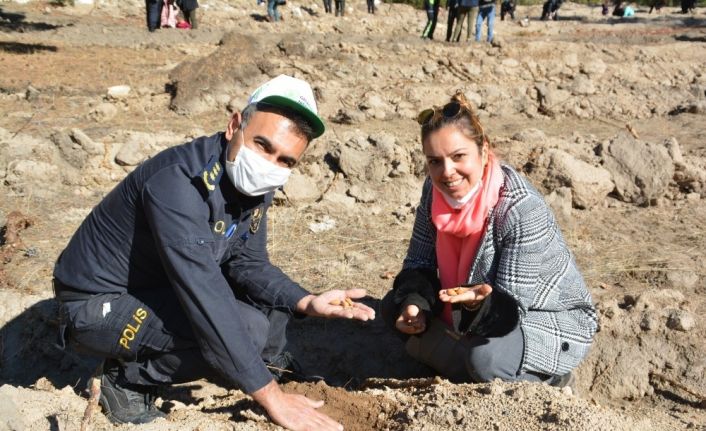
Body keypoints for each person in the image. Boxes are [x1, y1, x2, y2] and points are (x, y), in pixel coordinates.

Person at [52, 74, 376, 430]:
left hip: (160, 284)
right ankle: (127, 379)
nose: (269, 164)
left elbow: (248, 262)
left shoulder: (251, 181)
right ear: (234, 124)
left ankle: (260, 362)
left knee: (268, 304)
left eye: (286, 161)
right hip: (97, 303)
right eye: (262, 145)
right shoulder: (178, 182)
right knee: (247, 329)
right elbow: (204, 294)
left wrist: (306, 301)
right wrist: (270, 397)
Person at [380, 91, 597, 387]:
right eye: (435, 161)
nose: (447, 173)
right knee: (392, 308)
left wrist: (476, 306)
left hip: (544, 317)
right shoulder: (433, 190)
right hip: (473, 307)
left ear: (483, 151)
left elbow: (512, 308)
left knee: (485, 358)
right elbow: (419, 261)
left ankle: (551, 381)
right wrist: (414, 304)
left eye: (458, 157)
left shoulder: (520, 209)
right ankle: (464, 368)